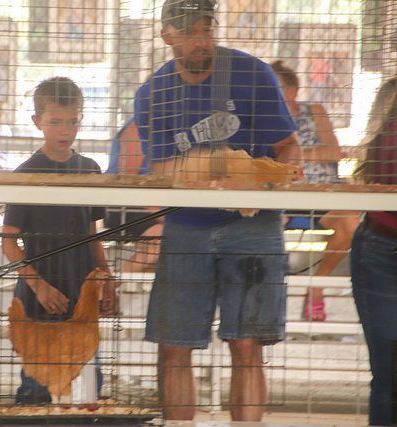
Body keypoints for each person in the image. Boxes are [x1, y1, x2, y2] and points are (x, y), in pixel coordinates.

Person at [134, 0, 302, 421]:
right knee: (175, 346)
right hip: (185, 224)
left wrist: (270, 186)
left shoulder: (253, 73)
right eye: (189, 32)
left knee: (247, 345)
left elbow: (288, 148)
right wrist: (218, 165)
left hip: (252, 222)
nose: (200, 41)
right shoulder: (152, 94)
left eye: (206, 29)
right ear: (167, 36)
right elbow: (161, 170)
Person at [1, 76, 115, 404]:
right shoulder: (27, 174)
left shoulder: (90, 169)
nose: (65, 131)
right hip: (38, 299)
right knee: (38, 385)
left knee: (87, 386)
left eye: (72, 122)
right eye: (55, 122)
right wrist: (38, 285)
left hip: (81, 296)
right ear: (37, 121)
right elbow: (8, 241)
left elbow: (92, 233)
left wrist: (106, 278)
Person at [271, 60, 359, 322]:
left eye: (274, 89)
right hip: (280, 195)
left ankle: (317, 286)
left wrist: (292, 156)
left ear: (292, 92)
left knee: (351, 223)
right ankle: (269, 296)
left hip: (323, 193)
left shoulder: (314, 111)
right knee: (262, 224)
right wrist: (310, 155)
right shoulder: (264, 118)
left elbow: (334, 153)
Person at [350, 76, 397, 427]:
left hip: (379, 242)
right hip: (380, 244)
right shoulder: (391, 98)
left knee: (386, 372)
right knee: (387, 371)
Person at [105, 116, 164, 273]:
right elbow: (128, 181)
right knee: (166, 240)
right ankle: (117, 281)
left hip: (146, 206)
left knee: (160, 259)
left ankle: (128, 281)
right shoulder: (137, 126)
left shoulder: (166, 127)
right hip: (124, 203)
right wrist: (162, 215)